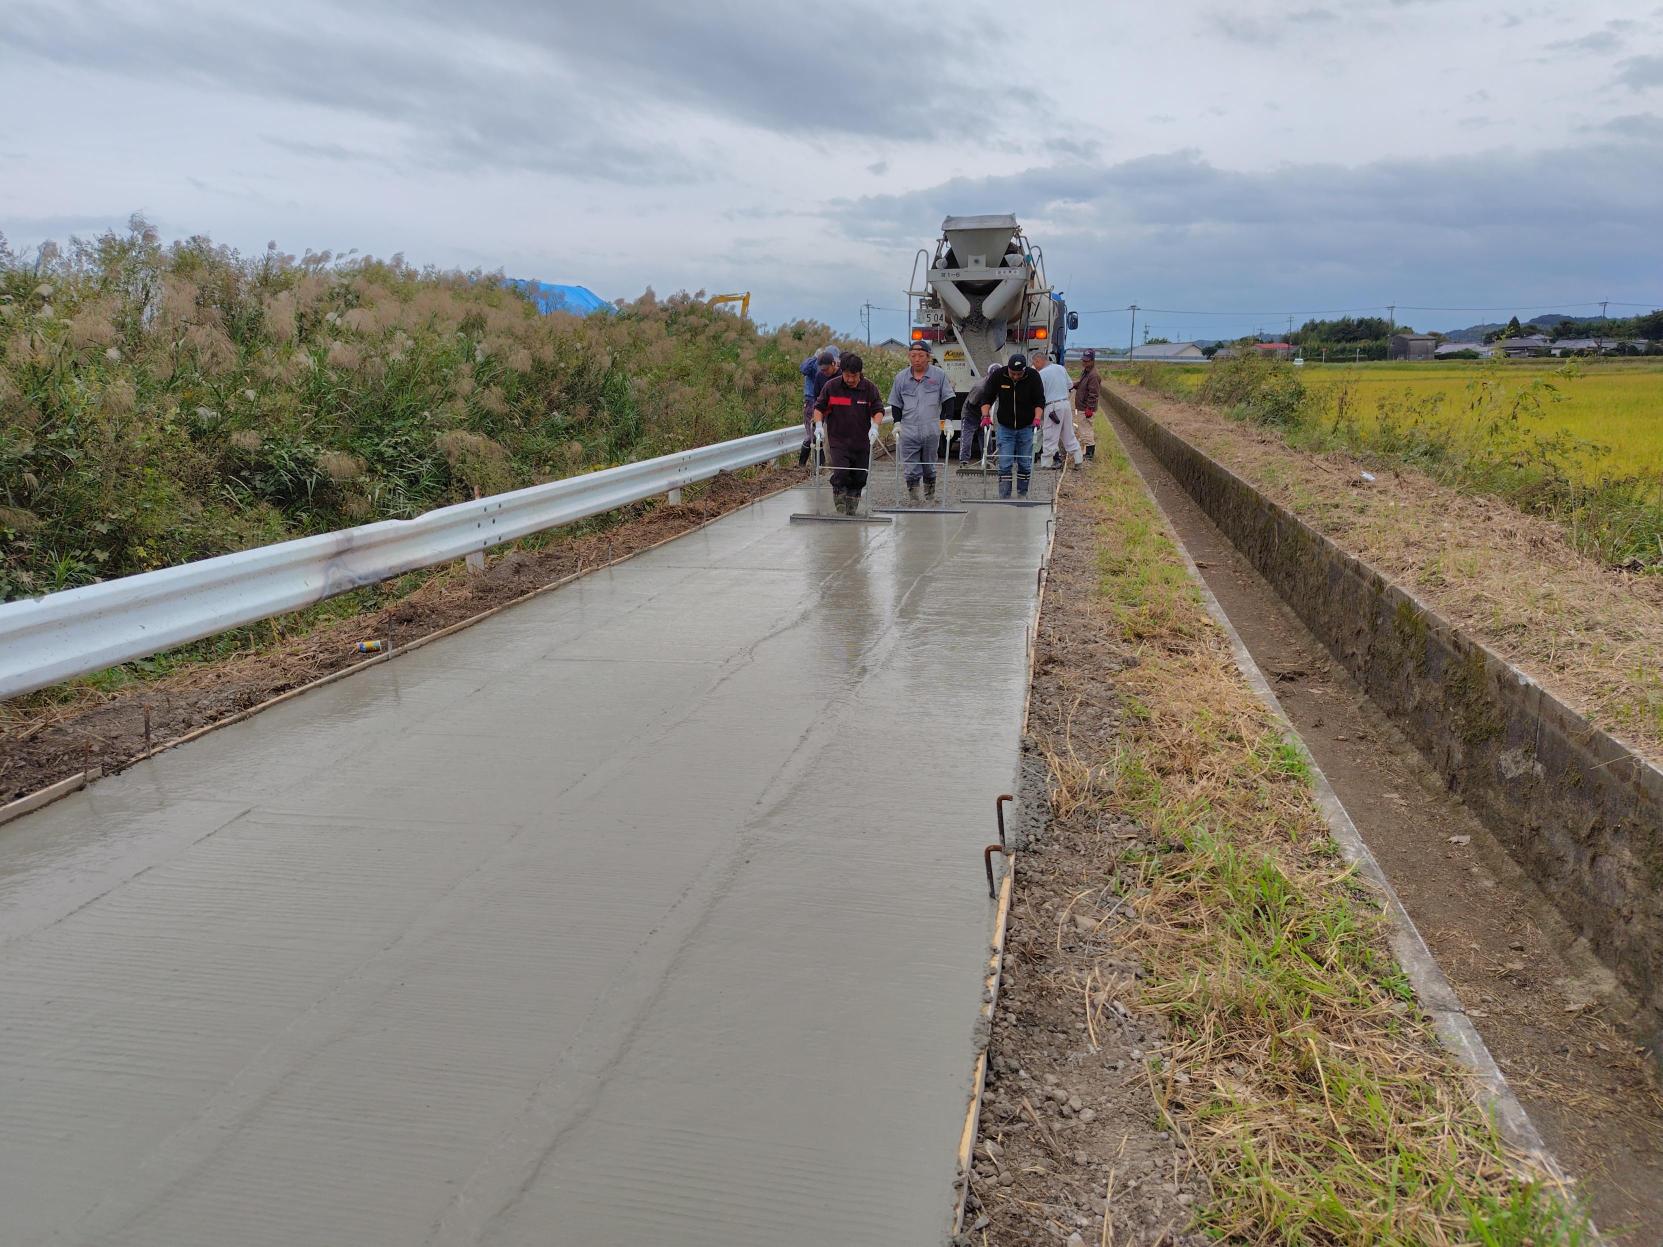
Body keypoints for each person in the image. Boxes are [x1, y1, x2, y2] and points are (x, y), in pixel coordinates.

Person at [812, 352, 884, 514]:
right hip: (839, 441)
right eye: (846, 375)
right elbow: (819, 408)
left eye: (854, 376)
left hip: (861, 441)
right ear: (841, 371)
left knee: (859, 477)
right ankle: (839, 495)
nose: (850, 379)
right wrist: (818, 425)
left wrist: (875, 427)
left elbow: (878, 410)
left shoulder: (869, 388)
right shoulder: (832, 387)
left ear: (860, 373)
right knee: (841, 471)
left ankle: (853, 500)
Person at [887, 342, 955, 502]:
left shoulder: (938, 375)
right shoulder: (901, 378)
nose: (916, 359)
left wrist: (948, 421)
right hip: (908, 429)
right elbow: (896, 403)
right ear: (909, 357)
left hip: (931, 428)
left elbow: (949, 398)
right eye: (913, 356)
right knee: (910, 467)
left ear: (928, 357)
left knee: (929, 466)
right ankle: (914, 498)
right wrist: (897, 423)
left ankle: (930, 497)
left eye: (920, 356)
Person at [981, 352, 1045, 499]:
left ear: (1024, 370)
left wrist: (1037, 418)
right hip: (1005, 427)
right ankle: (1004, 496)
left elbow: (1039, 400)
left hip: (1026, 426)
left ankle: (1022, 494)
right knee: (1005, 462)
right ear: (1008, 369)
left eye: (1019, 374)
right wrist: (985, 415)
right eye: (1013, 373)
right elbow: (987, 397)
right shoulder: (999, 375)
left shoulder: (1033, 376)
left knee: (1024, 462)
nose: (1015, 377)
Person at [1034, 349, 1082, 468]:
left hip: (1053, 407)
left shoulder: (1041, 374)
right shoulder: (1060, 368)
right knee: (1068, 434)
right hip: (1065, 404)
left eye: (1034, 363)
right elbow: (1070, 385)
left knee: (1050, 435)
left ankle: (1046, 464)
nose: (1034, 366)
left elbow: (1040, 395)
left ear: (1038, 360)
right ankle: (1078, 459)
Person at [798, 346, 841, 466]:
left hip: (829, 407)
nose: (825, 371)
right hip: (813, 402)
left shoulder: (838, 373)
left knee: (824, 437)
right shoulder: (816, 368)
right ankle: (803, 464)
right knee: (813, 434)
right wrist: (816, 357)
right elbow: (803, 369)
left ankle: (821, 465)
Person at [958, 362, 999, 463]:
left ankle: (988, 460)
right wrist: (984, 416)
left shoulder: (999, 386)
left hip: (984, 413)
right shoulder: (980, 387)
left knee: (986, 439)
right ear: (988, 375)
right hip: (970, 414)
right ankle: (964, 460)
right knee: (967, 439)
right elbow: (971, 404)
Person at [1070, 348, 1100, 461]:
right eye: (1083, 360)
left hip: (1086, 408)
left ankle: (1089, 454)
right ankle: (1087, 451)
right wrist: (1075, 385)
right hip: (1082, 406)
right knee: (1083, 429)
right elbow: (1083, 384)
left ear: (1092, 360)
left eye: (1087, 361)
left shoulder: (1093, 375)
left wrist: (1090, 408)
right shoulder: (1086, 372)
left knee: (1086, 430)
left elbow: (1094, 393)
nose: (1084, 362)